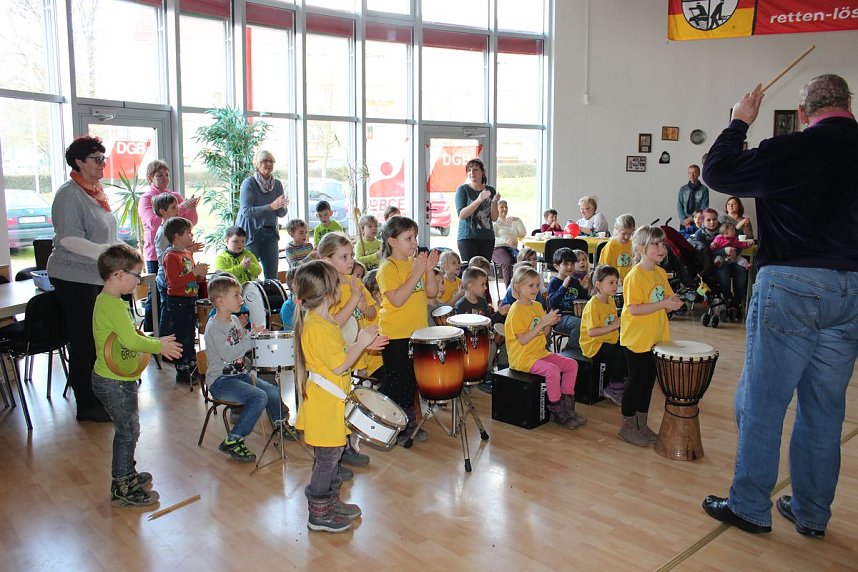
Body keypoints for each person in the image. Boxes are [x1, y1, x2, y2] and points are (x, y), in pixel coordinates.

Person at [701, 75, 858, 537]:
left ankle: (750, 505)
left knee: (762, 402)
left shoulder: (788, 148)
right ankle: (811, 512)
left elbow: (717, 171)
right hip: (851, 289)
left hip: (791, 283)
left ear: (804, 113)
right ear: (848, 104)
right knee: (825, 410)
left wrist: (738, 122)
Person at [292, 260, 388, 533]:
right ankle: (318, 511)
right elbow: (339, 365)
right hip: (326, 405)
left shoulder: (321, 319)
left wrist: (363, 340)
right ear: (328, 293)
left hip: (331, 402)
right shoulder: (318, 326)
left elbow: (337, 344)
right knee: (327, 460)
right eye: (338, 284)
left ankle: (330, 502)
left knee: (332, 456)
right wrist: (362, 344)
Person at [91, 244, 182, 506]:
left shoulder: (106, 301)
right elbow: (131, 341)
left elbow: (126, 338)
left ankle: (127, 474)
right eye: (136, 275)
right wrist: (159, 346)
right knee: (128, 431)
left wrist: (154, 339)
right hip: (114, 382)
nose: (138, 281)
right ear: (119, 274)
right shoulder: (114, 306)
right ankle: (122, 485)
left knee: (128, 428)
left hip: (116, 380)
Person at [47, 136, 116, 422]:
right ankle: (86, 405)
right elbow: (70, 239)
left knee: (97, 338)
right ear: (79, 162)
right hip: (73, 275)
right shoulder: (69, 194)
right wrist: (109, 253)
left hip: (96, 274)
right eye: (97, 159)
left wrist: (114, 253)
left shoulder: (94, 192)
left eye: (103, 159)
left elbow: (105, 232)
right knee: (84, 340)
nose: (102, 164)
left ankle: (98, 394)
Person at [204, 276, 292, 463]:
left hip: (239, 375)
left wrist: (255, 334)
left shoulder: (234, 319)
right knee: (259, 396)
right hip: (221, 381)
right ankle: (233, 440)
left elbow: (241, 340)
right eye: (236, 295)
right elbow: (228, 354)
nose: (241, 299)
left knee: (272, 390)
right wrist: (250, 339)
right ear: (220, 301)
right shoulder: (214, 328)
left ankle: (280, 424)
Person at [376, 216, 440, 444]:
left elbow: (431, 293)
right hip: (395, 335)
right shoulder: (387, 268)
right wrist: (417, 272)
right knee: (396, 383)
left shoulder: (416, 264)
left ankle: (408, 426)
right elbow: (398, 300)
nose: (414, 243)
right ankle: (390, 426)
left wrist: (429, 270)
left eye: (415, 237)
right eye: (408, 238)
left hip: (417, 333)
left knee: (411, 383)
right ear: (392, 242)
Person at [619, 226, 684, 446]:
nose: (661, 248)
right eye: (655, 244)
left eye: (662, 244)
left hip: (655, 337)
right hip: (637, 339)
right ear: (640, 248)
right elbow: (635, 309)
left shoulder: (660, 273)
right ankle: (627, 427)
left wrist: (673, 302)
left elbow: (664, 300)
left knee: (648, 382)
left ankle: (642, 425)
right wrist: (664, 303)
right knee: (636, 382)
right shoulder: (634, 276)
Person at [505, 266, 583, 429]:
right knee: (552, 370)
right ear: (518, 287)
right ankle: (556, 411)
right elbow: (523, 340)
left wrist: (549, 323)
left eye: (537, 285)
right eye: (531, 285)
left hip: (539, 352)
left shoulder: (537, 306)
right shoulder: (516, 310)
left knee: (572, 364)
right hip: (523, 357)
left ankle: (567, 405)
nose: (536, 289)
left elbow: (544, 334)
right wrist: (542, 322)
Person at [138, 160, 199, 332]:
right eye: (159, 175)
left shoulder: (175, 196)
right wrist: (180, 207)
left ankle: (174, 333)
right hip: (156, 256)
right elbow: (152, 221)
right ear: (150, 178)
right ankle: (152, 333)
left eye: (166, 174)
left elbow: (189, 223)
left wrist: (191, 208)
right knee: (157, 298)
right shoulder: (147, 198)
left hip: (180, 253)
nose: (165, 178)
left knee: (175, 297)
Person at [162, 217, 209, 384]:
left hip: (190, 298)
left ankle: (192, 363)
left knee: (191, 333)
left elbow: (190, 279)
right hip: (177, 300)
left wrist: (200, 276)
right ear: (177, 236)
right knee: (181, 335)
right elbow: (174, 282)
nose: (191, 236)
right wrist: (194, 273)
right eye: (188, 233)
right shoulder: (171, 256)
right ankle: (182, 369)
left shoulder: (187, 253)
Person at [454, 266, 509, 393]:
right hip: (467, 342)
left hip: (482, 338)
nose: (485, 287)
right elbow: (457, 329)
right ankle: (485, 376)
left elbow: (489, 322)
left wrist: (499, 313)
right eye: (482, 284)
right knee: (492, 347)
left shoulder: (483, 302)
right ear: (471, 286)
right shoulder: (461, 305)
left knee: (496, 344)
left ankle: (498, 373)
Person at [236, 150, 288, 280]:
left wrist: (283, 206)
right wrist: (270, 206)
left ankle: (271, 300)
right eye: (265, 161)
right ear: (257, 164)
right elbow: (246, 212)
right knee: (251, 275)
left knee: (272, 277)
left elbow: (280, 213)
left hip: (270, 233)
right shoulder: (249, 183)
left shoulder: (277, 184)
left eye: (271, 161)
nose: (268, 164)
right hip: (251, 234)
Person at [579, 265, 627, 406]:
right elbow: (592, 332)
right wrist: (616, 325)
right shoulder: (593, 305)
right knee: (619, 355)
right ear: (598, 285)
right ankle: (614, 388)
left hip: (608, 340)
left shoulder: (611, 300)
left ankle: (622, 381)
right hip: (593, 345)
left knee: (629, 349)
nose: (615, 285)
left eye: (616, 281)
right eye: (611, 282)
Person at [455, 158, 499, 263]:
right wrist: (479, 200)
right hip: (467, 237)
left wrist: (494, 203)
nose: (472, 173)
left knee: (484, 270)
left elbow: (494, 217)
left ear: (482, 172)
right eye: (469, 170)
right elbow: (461, 215)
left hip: (487, 238)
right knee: (470, 272)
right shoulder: (463, 190)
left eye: (475, 170)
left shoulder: (490, 190)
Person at [547, 248, 591, 351]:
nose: (570, 267)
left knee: (591, 322)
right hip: (559, 318)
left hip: (575, 317)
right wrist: (563, 287)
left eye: (572, 263)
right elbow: (553, 303)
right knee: (580, 324)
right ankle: (570, 350)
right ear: (556, 266)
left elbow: (585, 301)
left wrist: (585, 289)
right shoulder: (554, 282)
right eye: (566, 264)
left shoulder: (575, 281)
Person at [492, 199, 527, 286]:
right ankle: (508, 288)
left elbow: (523, 233)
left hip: (512, 249)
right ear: (496, 209)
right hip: (498, 249)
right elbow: (492, 239)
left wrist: (517, 220)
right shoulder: (494, 223)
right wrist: (506, 241)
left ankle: (523, 285)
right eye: (501, 207)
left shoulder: (512, 221)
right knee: (507, 261)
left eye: (506, 207)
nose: (504, 209)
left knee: (525, 260)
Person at [598, 214, 636, 282]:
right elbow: (603, 267)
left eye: (630, 234)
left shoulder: (633, 245)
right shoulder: (611, 245)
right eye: (624, 234)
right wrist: (614, 279)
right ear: (616, 230)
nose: (627, 237)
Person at [677, 164, 709, 228]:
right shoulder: (683, 189)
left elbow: (704, 207)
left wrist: (691, 219)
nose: (692, 175)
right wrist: (684, 220)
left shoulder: (704, 189)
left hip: (698, 222)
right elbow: (679, 205)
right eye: (690, 173)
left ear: (699, 174)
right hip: (684, 223)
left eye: (694, 173)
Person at [279, 267, 298, 332]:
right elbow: (291, 330)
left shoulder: (311, 301)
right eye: (298, 282)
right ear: (291, 286)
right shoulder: (287, 306)